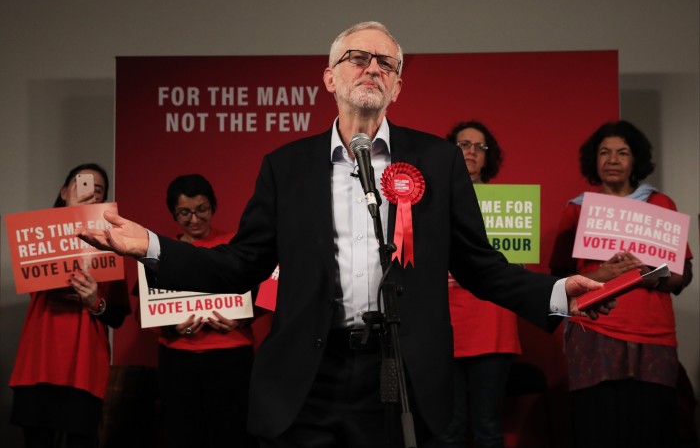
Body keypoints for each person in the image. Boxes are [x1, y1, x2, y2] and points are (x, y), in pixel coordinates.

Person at [78, 22, 613, 448]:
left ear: (398, 86)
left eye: (387, 63)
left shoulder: (438, 160)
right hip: (308, 378)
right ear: (330, 77)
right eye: (359, 57)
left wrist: (556, 292)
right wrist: (149, 246)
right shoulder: (285, 167)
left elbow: (478, 264)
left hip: (397, 375)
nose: (373, 68)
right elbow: (238, 265)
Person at [549, 120, 693, 448]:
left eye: (622, 152)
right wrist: (603, 274)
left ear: (635, 160)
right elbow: (557, 280)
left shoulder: (661, 204)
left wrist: (646, 272)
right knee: (596, 426)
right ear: (594, 160)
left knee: (650, 427)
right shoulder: (576, 209)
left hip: (653, 335)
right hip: (595, 332)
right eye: (604, 152)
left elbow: (682, 276)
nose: (613, 159)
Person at [9, 163, 130, 448]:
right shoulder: (36, 235)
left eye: (97, 191)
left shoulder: (112, 246)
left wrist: (95, 302)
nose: (90, 194)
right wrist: (69, 220)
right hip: (37, 365)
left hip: (85, 369)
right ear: (64, 192)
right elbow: (29, 280)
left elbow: (118, 316)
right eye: (82, 186)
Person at [153, 174, 258, 448]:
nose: (195, 219)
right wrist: (171, 325)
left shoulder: (237, 245)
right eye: (185, 213)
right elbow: (147, 308)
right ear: (174, 214)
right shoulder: (160, 253)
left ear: (213, 207)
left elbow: (266, 295)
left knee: (232, 433)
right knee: (183, 434)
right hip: (178, 358)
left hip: (231, 357)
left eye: (202, 210)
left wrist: (241, 319)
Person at [437, 121, 521, 448]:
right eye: (463, 145)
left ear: (488, 157)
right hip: (447, 324)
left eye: (479, 147)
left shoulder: (511, 205)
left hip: (492, 324)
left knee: (488, 427)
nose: (471, 151)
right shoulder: (429, 201)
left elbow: (519, 265)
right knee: (449, 429)